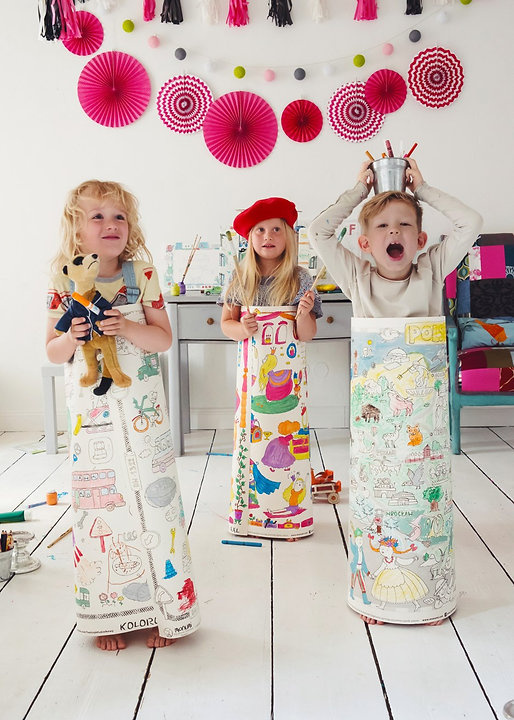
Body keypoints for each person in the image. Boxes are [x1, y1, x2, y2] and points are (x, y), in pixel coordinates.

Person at [309, 159, 482, 625]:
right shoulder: (357, 276)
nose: (395, 232)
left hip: (424, 410)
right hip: (376, 413)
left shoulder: (432, 269)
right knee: (378, 491)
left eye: (405, 225)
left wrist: (421, 190)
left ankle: (427, 591)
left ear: (420, 240)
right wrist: (359, 191)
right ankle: (374, 593)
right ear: (365, 243)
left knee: (423, 489)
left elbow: (471, 222)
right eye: (383, 226)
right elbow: (319, 232)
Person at [46, 180, 200, 650]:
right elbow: (53, 352)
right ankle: (108, 613)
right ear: (76, 229)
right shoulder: (63, 279)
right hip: (92, 416)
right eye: (98, 216)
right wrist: (71, 336)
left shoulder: (142, 273)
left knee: (156, 505)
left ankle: (162, 609)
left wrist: (128, 326)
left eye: (119, 216)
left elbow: (163, 340)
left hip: (143, 412)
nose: (111, 224)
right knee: (100, 508)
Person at [219, 197, 322, 540]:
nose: (268, 236)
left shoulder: (300, 278)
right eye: (260, 230)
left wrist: (303, 313)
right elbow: (226, 325)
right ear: (250, 238)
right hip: (251, 380)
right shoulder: (241, 278)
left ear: (289, 236)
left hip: (289, 385)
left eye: (277, 229)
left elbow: (306, 335)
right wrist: (241, 328)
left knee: (289, 448)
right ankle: (250, 518)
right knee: (252, 444)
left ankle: (288, 517)